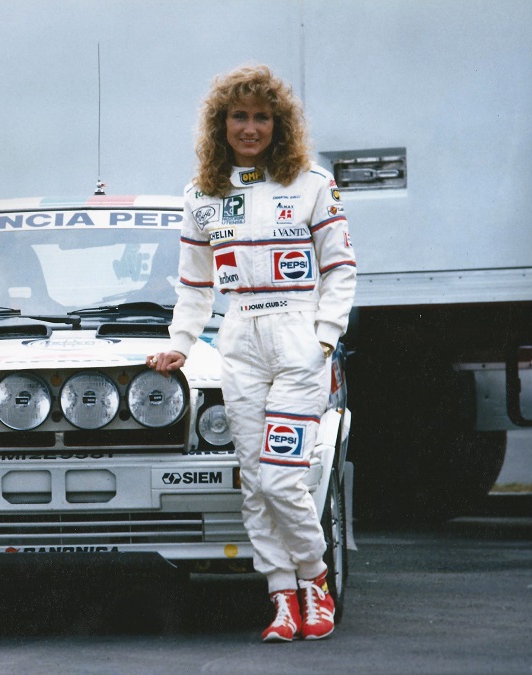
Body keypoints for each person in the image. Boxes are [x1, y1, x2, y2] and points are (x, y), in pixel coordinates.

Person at [147, 65, 356, 642]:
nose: (250, 128)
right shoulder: (201, 194)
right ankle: (281, 599)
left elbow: (341, 269)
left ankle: (315, 580)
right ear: (220, 124)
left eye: (262, 117)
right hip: (238, 341)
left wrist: (323, 338)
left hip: (298, 340)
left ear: (278, 124)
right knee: (254, 481)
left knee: (283, 479)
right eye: (239, 116)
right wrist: (180, 344)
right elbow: (195, 286)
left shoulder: (312, 182)